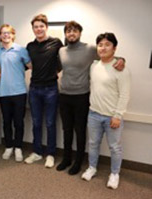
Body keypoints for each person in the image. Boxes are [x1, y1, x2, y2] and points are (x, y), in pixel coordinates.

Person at [56, 21, 125, 175]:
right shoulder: (61, 50)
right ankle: (66, 158)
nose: (71, 33)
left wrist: (122, 61)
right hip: (64, 95)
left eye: (74, 31)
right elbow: (60, 68)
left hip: (82, 96)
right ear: (65, 34)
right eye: (68, 31)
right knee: (66, 129)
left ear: (80, 33)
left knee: (80, 130)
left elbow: (109, 55)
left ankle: (78, 162)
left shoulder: (89, 49)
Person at [81, 33, 131, 190]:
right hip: (94, 114)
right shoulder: (93, 66)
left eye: (107, 44)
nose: (103, 47)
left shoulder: (121, 69)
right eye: (100, 44)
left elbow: (124, 94)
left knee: (115, 147)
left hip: (112, 117)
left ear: (114, 48)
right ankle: (92, 168)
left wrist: (117, 115)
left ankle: (115, 174)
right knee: (93, 144)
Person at [24, 14, 62, 168]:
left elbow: (65, 61)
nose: (38, 29)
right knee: (36, 123)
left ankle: (51, 154)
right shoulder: (30, 46)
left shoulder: (56, 43)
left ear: (46, 27)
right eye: (35, 27)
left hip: (51, 89)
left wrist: (54, 72)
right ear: (33, 29)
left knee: (51, 122)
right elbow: (26, 64)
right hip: (34, 89)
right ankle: (37, 152)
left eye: (41, 26)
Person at [0, 24, 32, 162]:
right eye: (3, 33)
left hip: (19, 92)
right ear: (0, 35)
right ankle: (9, 146)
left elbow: (31, 66)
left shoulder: (21, 50)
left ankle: (18, 148)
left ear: (13, 35)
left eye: (8, 33)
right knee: (6, 122)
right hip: (3, 92)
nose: (6, 35)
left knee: (19, 122)